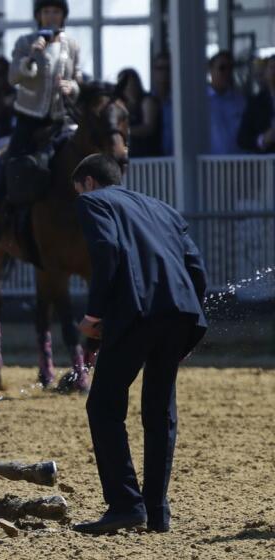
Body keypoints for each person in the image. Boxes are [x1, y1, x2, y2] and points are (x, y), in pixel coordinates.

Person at [70, 154, 208, 535]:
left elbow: (106, 251)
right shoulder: (162, 208)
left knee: (104, 406)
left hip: (135, 314)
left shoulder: (92, 202)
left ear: (88, 182)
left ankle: (125, 504)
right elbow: (195, 266)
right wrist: (192, 322)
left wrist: (95, 314)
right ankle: (157, 511)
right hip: (180, 313)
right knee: (159, 410)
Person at [0, 0, 81, 244]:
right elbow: (14, 76)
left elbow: (78, 76)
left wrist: (73, 87)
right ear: (38, 15)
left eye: (56, 12)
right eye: (46, 12)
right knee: (12, 161)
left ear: (63, 16)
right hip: (30, 118)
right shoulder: (24, 42)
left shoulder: (73, 44)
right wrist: (32, 57)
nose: (51, 17)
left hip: (61, 119)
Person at [207, 50, 246, 156]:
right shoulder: (202, 102)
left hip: (240, 163)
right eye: (222, 68)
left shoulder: (240, 101)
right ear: (210, 70)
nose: (227, 73)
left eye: (230, 68)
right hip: (210, 165)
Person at [238, 56, 275, 154]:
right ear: (265, 73)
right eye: (272, 67)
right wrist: (263, 139)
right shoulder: (255, 103)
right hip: (266, 164)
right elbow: (242, 139)